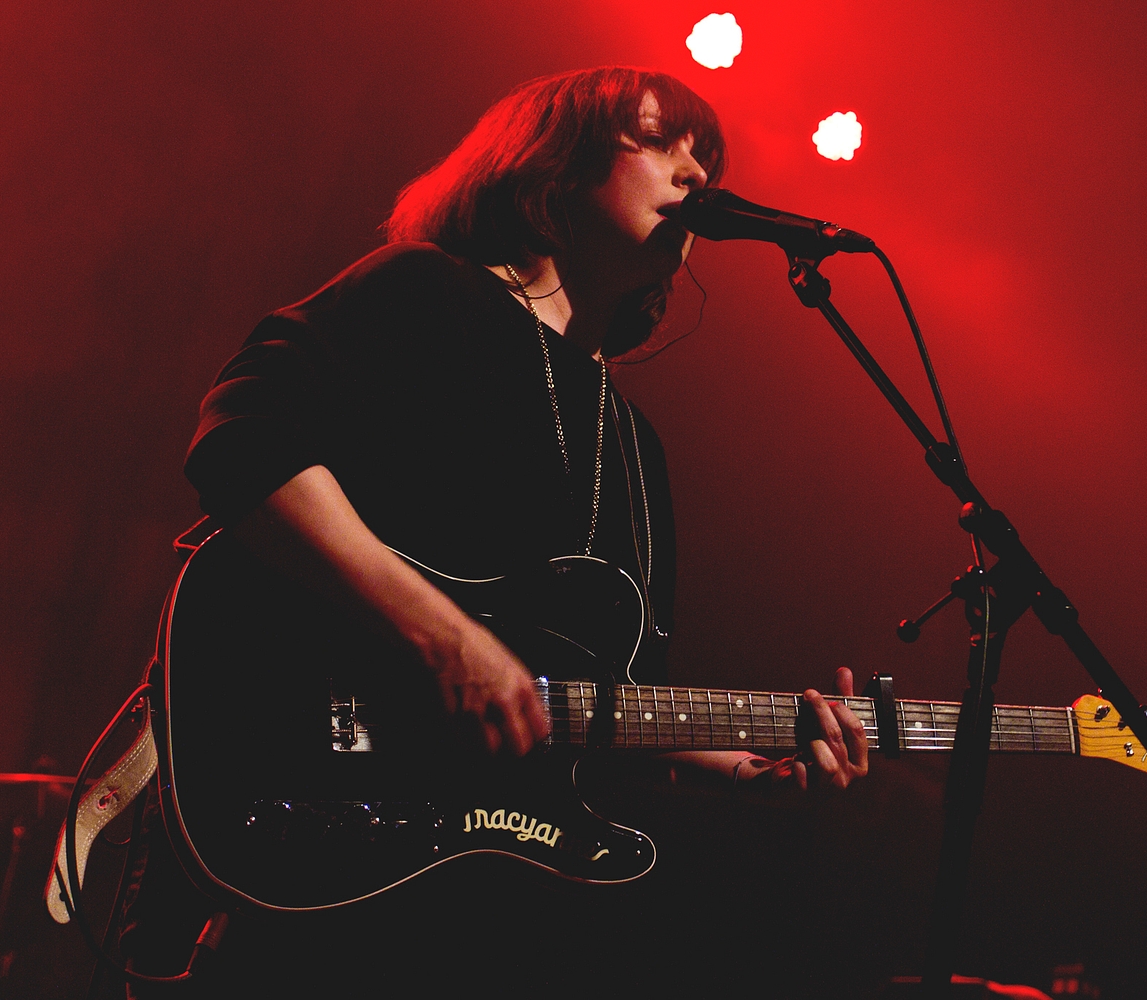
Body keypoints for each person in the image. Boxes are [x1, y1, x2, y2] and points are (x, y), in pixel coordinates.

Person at [118, 66, 869, 996]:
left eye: (706, 159)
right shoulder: (425, 292)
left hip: (495, 910)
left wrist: (742, 766)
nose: (696, 176)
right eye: (660, 141)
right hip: (317, 832)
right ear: (554, 168)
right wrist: (446, 639)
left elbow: (604, 697)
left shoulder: (638, 446)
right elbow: (242, 444)